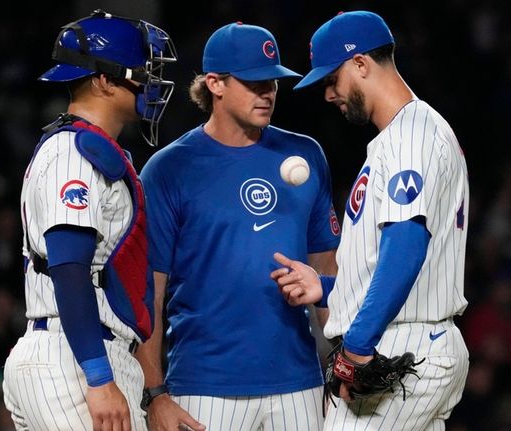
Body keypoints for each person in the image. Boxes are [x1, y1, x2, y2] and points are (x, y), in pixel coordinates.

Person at [136, 22, 340, 431]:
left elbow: (327, 270)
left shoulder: (306, 153)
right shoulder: (169, 169)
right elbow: (148, 295)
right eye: (254, 83)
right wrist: (155, 393)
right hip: (204, 386)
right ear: (215, 84)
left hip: (298, 381)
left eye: (273, 82)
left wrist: (343, 359)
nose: (267, 93)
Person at [271, 11, 470, 430]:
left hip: (401, 342)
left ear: (361, 64)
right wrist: (327, 288)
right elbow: (392, 260)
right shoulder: (405, 135)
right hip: (413, 337)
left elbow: (407, 243)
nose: (328, 94)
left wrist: (358, 345)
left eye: (331, 79)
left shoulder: (410, 139)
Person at [2, 10, 177, 431]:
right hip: (75, 360)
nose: (149, 83)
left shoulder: (89, 149)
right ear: (103, 80)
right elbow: (69, 268)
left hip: (74, 351)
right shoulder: (73, 153)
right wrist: (98, 379)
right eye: (140, 71)